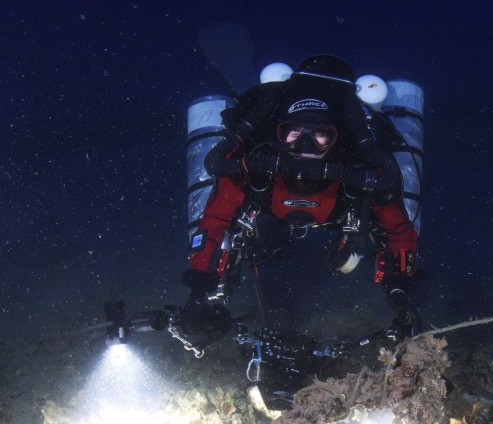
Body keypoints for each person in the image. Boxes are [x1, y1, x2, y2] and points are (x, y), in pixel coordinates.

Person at [181, 54, 422, 344]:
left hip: (338, 216)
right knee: (243, 245)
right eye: (293, 132)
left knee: (370, 245)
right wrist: (197, 291)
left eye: (321, 135)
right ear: (278, 134)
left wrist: (401, 294)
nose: (305, 145)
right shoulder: (254, 164)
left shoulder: (362, 168)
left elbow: (398, 232)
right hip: (266, 216)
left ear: (337, 141)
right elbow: (216, 218)